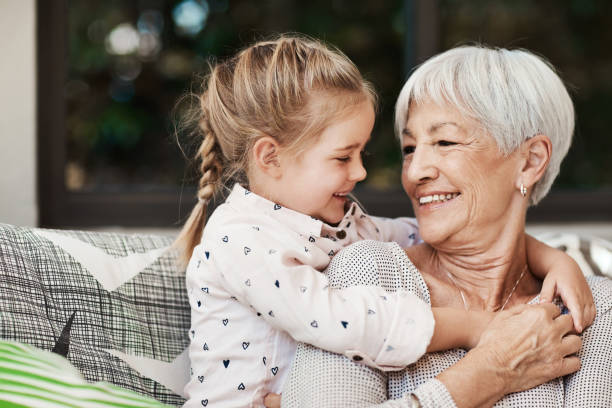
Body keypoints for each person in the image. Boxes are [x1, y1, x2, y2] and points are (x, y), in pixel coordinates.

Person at [174, 36, 594, 407]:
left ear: (531, 160)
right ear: (270, 157)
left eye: (444, 141)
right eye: (410, 148)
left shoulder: (339, 229)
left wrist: (555, 260)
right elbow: (346, 321)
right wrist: (480, 343)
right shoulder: (245, 241)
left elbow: (417, 232)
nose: (409, 173)